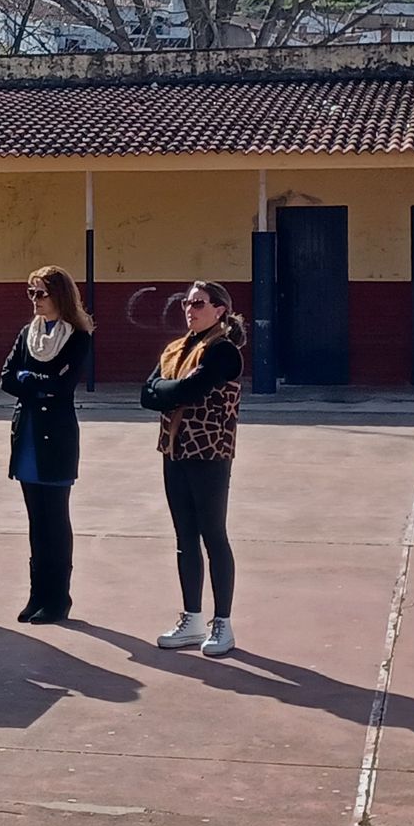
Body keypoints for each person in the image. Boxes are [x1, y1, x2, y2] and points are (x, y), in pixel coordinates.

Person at [141, 280, 246, 657]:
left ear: (219, 309)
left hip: (210, 453)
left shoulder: (224, 352)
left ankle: (223, 622)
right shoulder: (176, 349)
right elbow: (146, 394)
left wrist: (168, 389)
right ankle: (192, 617)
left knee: (213, 534)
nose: (190, 309)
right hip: (174, 451)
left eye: (198, 303)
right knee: (184, 537)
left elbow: (186, 392)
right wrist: (171, 388)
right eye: (187, 303)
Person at [0, 265, 94, 625]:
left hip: (56, 438)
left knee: (55, 520)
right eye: (31, 293)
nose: (35, 300)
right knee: (35, 521)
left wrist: (33, 379)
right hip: (27, 435)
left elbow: (62, 386)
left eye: (41, 293)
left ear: (60, 296)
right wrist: (36, 380)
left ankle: (59, 599)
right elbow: (6, 378)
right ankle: (37, 594)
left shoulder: (78, 336)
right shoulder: (28, 334)